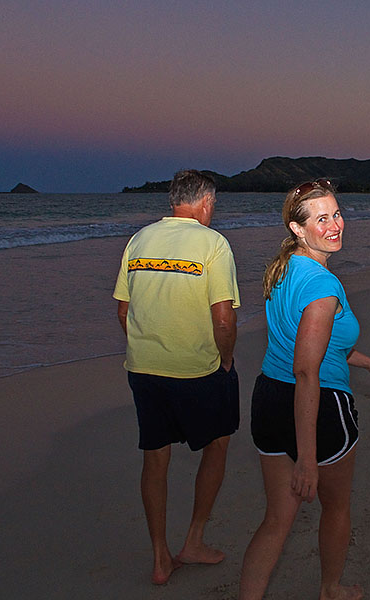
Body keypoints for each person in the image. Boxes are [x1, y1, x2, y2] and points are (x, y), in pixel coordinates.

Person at [239, 179, 370, 600]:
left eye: (336, 214)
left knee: (277, 519)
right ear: (298, 229)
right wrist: (307, 459)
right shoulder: (323, 286)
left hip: (270, 400)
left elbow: (312, 344)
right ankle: (330, 588)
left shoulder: (283, 268)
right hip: (317, 408)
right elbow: (308, 371)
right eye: (321, 219)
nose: (335, 225)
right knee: (335, 507)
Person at [113, 169, 240, 585]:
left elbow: (123, 311)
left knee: (155, 456)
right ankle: (194, 540)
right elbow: (223, 319)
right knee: (218, 443)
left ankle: (159, 557)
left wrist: (148, 347)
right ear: (205, 203)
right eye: (213, 204)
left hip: (143, 369)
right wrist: (226, 360)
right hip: (197, 369)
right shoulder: (213, 243)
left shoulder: (139, 240)